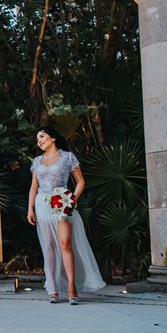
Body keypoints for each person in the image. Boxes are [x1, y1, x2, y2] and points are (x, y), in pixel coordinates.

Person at [27, 127, 105, 304]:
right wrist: (30, 208)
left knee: (65, 244)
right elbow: (34, 186)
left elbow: (80, 182)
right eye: (37, 139)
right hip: (41, 204)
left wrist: (72, 199)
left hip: (61, 202)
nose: (39, 140)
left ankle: (71, 286)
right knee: (48, 247)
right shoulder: (37, 161)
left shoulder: (68, 157)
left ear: (53, 137)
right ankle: (52, 287)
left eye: (42, 136)